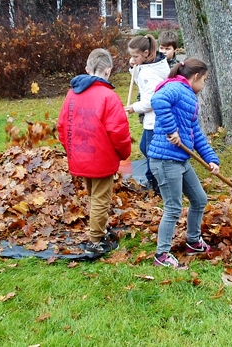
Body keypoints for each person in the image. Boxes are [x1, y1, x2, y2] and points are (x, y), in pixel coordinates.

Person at [57, 48, 132, 258]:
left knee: (93, 195)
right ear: (108, 70)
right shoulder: (108, 96)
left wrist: (70, 149)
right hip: (101, 157)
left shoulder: (72, 94)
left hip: (80, 155)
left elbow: (62, 126)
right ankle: (95, 241)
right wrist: (123, 153)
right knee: (100, 198)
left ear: (87, 69)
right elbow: (118, 132)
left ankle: (98, 228)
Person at [148, 58, 220, 270]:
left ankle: (193, 241)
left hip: (180, 159)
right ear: (196, 76)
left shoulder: (189, 96)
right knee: (173, 207)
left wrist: (211, 159)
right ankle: (161, 255)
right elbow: (158, 100)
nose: (204, 85)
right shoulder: (176, 88)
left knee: (199, 198)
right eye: (205, 80)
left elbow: (195, 133)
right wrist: (171, 130)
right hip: (165, 159)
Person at [124, 35, 170, 194]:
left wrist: (134, 107)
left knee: (152, 154)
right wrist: (133, 67)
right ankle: (161, 168)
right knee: (145, 146)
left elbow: (151, 101)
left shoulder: (149, 73)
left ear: (145, 53)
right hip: (157, 118)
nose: (132, 58)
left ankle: (157, 186)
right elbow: (141, 80)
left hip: (155, 119)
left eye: (135, 56)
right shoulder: (154, 65)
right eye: (131, 56)